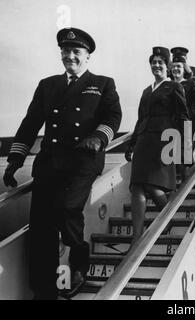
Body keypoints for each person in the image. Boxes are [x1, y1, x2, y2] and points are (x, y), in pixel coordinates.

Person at [2, 27, 122, 299]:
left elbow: (113, 116)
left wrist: (98, 137)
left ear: (87, 56)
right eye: (65, 51)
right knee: (42, 226)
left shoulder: (103, 83)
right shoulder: (48, 85)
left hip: (83, 162)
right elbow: (30, 122)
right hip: (49, 163)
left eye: (76, 52)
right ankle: (44, 290)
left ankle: (78, 262)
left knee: (67, 208)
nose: (70, 56)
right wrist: (15, 158)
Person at [125, 47, 191, 246]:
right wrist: (132, 143)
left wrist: (185, 145)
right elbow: (140, 118)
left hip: (163, 139)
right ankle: (136, 236)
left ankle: (170, 217)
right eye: (153, 62)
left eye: (160, 62)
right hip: (144, 140)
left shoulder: (173, 87)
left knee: (154, 186)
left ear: (168, 66)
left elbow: (183, 116)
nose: (156, 66)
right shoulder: (147, 90)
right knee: (136, 185)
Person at [170, 54, 195, 181]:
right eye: (174, 66)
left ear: (184, 70)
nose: (176, 69)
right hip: (170, 126)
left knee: (184, 159)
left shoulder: (190, 84)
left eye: (179, 66)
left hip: (187, 127)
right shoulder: (167, 85)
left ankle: (185, 186)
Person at [170, 47, 195, 122]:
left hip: (192, 109)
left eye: (181, 57)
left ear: (186, 58)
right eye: (176, 57)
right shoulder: (170, 73)